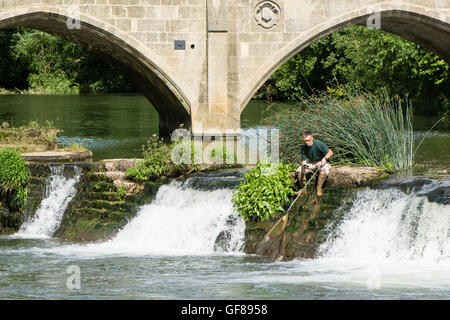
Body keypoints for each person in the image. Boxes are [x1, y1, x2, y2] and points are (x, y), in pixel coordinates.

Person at [294, 130, 333, 196]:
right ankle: (303, 190)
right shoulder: (303, 148)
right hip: (311, 163)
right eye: (304, 141)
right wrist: (304, 165)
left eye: (308, 140)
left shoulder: (318, 143)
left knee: (323, 170)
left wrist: (325, 158)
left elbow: (330, 152)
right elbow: (303, 161)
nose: (306, 142)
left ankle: (319, 189)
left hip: (321, 162)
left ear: (312, 138)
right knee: (299, 170)